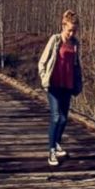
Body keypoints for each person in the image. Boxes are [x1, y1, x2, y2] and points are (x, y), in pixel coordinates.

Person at [37, 9, 84, 166]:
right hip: (54, 84)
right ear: (63, 26)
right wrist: (45, 79)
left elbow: (76, 65)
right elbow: (42, 62)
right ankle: (51, 151)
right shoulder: (55, 40)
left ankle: (56, 143)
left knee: (64, 119)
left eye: (74, 30)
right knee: (56, 117)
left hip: (67, 85)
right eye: (70, 30)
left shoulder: (75, 44)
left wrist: (78, 83)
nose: (72, 33)